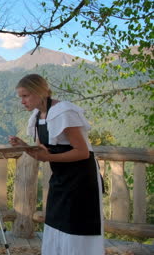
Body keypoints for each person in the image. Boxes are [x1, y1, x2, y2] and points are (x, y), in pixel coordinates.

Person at [8, 74, 104, 254]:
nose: (22, 101)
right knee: (55, 224)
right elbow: (42, 153)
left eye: (25, 96)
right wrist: (24, 146)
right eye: (20, 97)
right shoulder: (37, 116)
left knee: (75, 229)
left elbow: (82, 152)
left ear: (39, 92)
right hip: (60, 179)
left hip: (81, 181)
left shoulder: (63, 112)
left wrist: (48, 158)